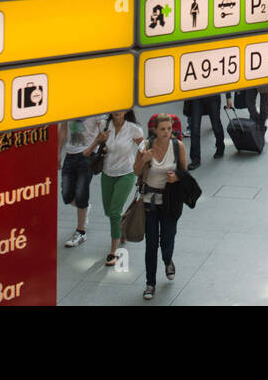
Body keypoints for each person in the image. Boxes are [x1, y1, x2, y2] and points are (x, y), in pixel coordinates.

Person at [133, 114, 190, 301]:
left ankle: (167, 260)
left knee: (167, 238)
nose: (167, 132)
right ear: (155, 130)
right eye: (163, 129)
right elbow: (136, 170)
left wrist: (177, 177)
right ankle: (150, 283)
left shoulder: (178, 146)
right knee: (150, 244)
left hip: (169, 200)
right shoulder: (145, 146)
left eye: (169, 128)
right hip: (149, 201)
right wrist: (144, 159)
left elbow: (185, 172)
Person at [94, 109, 144, 266]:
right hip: (107, 173)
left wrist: (138, 165)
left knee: (114, 212)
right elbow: (95, 146)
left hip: (126, 174)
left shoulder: (133, 128)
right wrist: (98, 140)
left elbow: (143, 148)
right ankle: (122, 223)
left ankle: (113, 252)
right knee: (109, 211)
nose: (118, 111)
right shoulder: (103, 125)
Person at [59, 116, 100, 247]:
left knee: (81, 192)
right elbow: (64, 128)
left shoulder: (96, 106)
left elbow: (102, 131)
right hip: (70, 154)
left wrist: (91, 149)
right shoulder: (68, 105)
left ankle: (81, 232)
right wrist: (58, 152)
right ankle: (85, 207)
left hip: (88, 154)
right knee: (66, 194)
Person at [186, 94, 224, 169]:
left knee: (216, 125)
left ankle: (220, 146)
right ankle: (195, 158)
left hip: (212, 95)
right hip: (196, 96)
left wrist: (228, 96)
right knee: (195, 129)